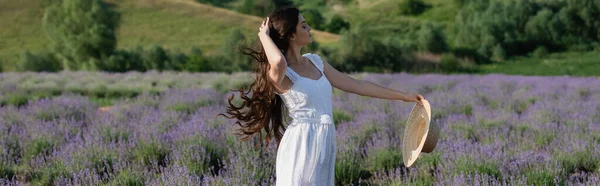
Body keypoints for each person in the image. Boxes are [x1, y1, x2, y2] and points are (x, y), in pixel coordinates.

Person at [219, 6, 424, 186]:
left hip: (325, 140)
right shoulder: (280, 74)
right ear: (291, 35)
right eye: (304, 26)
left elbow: (355, 84)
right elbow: (278, 62)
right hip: (301, 143)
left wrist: (402, 96)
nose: (310, 29)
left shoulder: (315, 62)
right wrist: (263, 36)